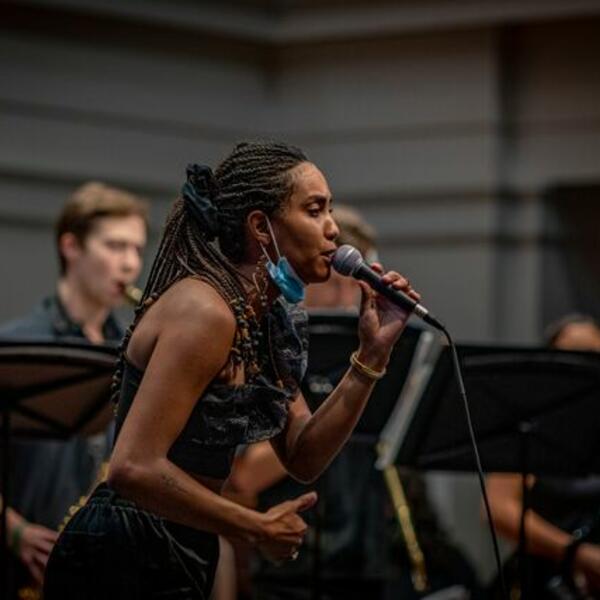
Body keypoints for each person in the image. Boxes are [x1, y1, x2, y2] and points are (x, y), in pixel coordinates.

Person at [43, 141, 420, 599]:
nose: (333, 229)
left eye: (330, 211)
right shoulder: (206, 311)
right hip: (123, 547)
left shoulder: (262, 320)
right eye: (315, 210)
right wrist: (253, 526)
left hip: (180, 542)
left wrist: (372, 356)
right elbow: (132, 467)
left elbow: (303, 456)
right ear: (261, 226)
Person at [0, 182, 148, 595]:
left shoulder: (135, 352)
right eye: (115, 246)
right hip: (25, 568)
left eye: (136, 249)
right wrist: (14, 531)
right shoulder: (15, 347)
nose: (130, 264)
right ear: (71, 246)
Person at [486, 314, 600, 599]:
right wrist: (577, 553)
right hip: (543, 578)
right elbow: (498, 510)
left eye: (594, 356)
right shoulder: (529, 422)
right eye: (574, 357)